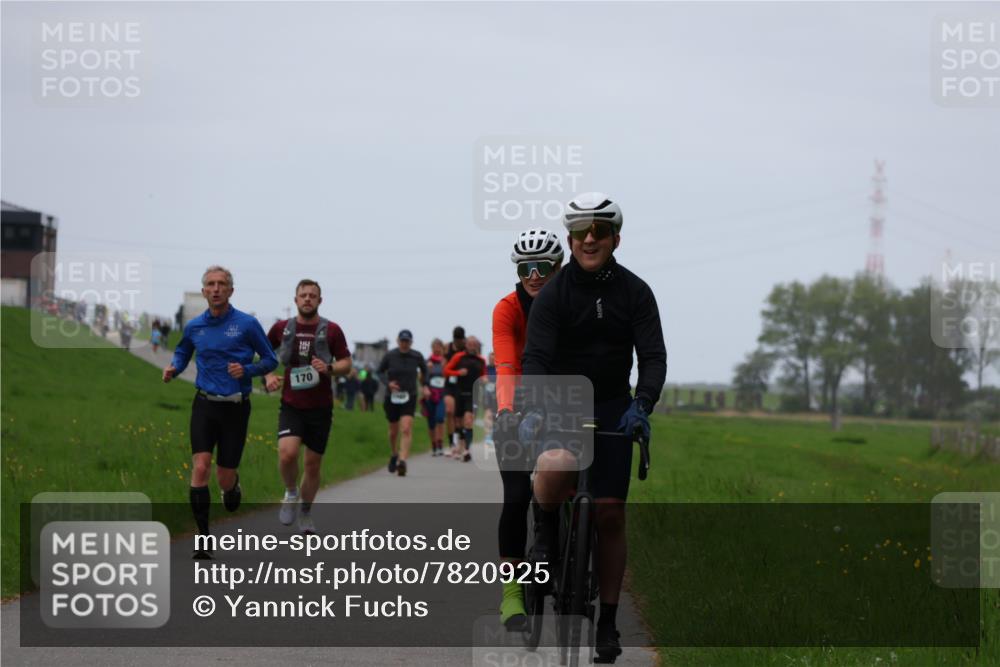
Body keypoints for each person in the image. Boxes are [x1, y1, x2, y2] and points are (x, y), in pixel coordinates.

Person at [521, 193, 666, 661]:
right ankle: (544, 528)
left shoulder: (636, 293)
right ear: (570, 238)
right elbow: (537, 357)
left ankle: (607, 622)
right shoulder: (554, 296)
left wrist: (642, 404)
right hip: (561, 399)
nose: (589, 238)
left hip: (612, 405)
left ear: (614, 238)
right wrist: (537, 405)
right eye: (581, 231)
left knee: (610, 514)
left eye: (599, 231)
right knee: (557, 462)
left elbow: (653, 357)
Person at [163, 266, 278, 559]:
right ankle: (203, 539)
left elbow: (270, 359)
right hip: (204, 404)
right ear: (204, 291)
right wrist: (175, 367)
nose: (216, 289)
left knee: (224, 476)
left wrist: (248, 370)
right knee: (200, 467)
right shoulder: (195, 327)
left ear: (230, 291)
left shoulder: (247, 324)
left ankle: (232, 487)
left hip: (236, 407)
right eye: (210, 284)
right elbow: (182, 351)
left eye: (221, 284)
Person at [490, 227, 565, 628]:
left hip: (561, 398)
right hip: (516, 400)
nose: (534, 274)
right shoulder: (506, 308)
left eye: (543, 267)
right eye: (525, 268)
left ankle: (554, 534)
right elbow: (505, 364)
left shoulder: (572, 301)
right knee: (516, 496)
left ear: (559, 266)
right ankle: (512, 593)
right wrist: (505, 410)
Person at [264, 279, 352, 534]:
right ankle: (291, 492)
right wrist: (269, 375)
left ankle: (305, 513)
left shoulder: (332, 330)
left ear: (320, 301)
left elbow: (347, 362)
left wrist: (330, 368)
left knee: (313, 465)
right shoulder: (281, 328)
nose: (307, 299)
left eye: (312, 295)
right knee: (287, 453)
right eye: (303, 295)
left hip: (321, 407)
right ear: (295, 300)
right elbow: (263, 353)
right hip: (291, 404)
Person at [376, 330, 429, 476]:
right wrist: (388, 383)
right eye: (402, 341)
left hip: (409, 396)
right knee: (393, 431)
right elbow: (379, 372)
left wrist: (425, 385)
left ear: (411, 342)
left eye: (407, 341)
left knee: (405, 428)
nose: (405, 343)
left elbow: (425, 371)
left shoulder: (417, 356)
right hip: (392, 397)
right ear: (398, 341)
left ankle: (402, 460)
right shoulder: (390, 355)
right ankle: (394, 453)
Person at [443, 335, 486, 462]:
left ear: (477, 346)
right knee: (458, 422)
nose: (472, 346)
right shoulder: (458, 357)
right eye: (470, 343)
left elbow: (483, 374)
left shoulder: (481, 360)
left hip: (473, 394)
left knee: (468, 420)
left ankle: (467, 449)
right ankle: (460, 445)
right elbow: (446, 371)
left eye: (475, 344)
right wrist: (458, 373)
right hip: (459, 392)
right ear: (466, 345)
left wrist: (484, 379)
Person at [422, 338, 448, 456]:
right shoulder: (427, 362)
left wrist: (445, 368)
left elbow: (451, 378)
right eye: (435, 347)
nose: (437, 349)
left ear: (442, 349)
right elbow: (421, 379)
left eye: (439, 347)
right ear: (432, 348)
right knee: (431, 422)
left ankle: (440, 444)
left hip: (442, 395)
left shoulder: (446, 362)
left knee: (440, 418)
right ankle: (433, 445)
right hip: (430, 395)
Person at [443, 326, 466, 456]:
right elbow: (444, 366)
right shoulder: (448, 347)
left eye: (460, 340)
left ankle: (461, 443)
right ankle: (451, 442)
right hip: (450, 384)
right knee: (450, 411)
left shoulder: (467, 347)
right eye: (456, 340)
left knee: (460, 416)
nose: (458, 343)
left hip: (462, 385)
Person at [483, 351, 498, 446]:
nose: (492, 358)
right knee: (488, 415)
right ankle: (488, 436)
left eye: (494, 355)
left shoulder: (500, 369)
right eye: (491, 355)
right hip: (487, 396)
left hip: (498, 395)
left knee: (496, 416)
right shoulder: (485, 369)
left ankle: (495, 435)